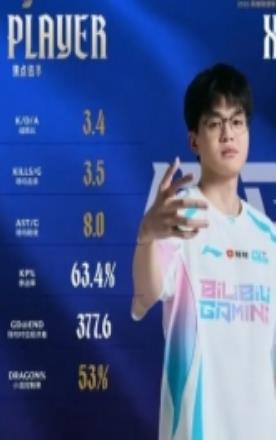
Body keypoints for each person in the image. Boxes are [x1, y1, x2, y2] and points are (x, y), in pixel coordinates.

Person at [131, 64, 276, 440]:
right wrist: (147, 236)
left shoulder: (269, 237)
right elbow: (145, 297)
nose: (228, 134)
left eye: (237, 122)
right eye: (214, 123)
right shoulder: (178, 217)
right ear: (194, 140)